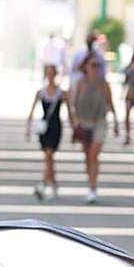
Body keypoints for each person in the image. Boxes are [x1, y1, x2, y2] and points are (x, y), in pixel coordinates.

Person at [72, 53, 119, 203]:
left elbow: (111, 103)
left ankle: (93, 188)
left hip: (99, 121)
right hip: (84, 122)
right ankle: (91, 181)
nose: (95, 68)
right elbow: (74, 104)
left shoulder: (103, 83)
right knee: (87, 157)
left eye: (97, 66)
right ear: (86, 67)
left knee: (93, 155)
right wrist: (74, 123)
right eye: (92, 65)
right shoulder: (80, 83)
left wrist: (117, 123)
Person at [25, 64, 71, 200]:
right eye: (48, 73)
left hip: (56, 127)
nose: (50, 75)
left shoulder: (62, 93)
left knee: (49, 156)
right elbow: (31, 112)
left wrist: (74, 128)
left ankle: (44, 184)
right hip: (44, 128)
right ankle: (53, 183)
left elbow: (70, 112)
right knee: (48, 157)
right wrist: (28, 128)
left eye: (52, 73)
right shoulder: (41, 93)